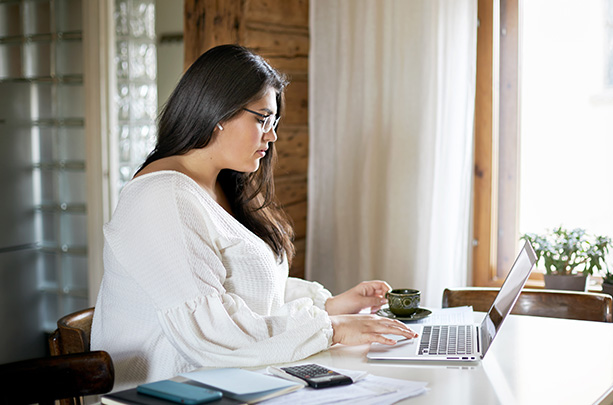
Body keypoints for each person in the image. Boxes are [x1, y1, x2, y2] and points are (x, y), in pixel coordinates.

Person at [90, 44, 417, 390]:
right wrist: (329, 327)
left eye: (273, 121)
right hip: (173, 392)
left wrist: (328, 304)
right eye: (262, 119)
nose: (272, 134)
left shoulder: (216, 185)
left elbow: (246, 291)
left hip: (226, 384)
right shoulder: (162, 197)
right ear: (217, 111)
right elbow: (210, 332)